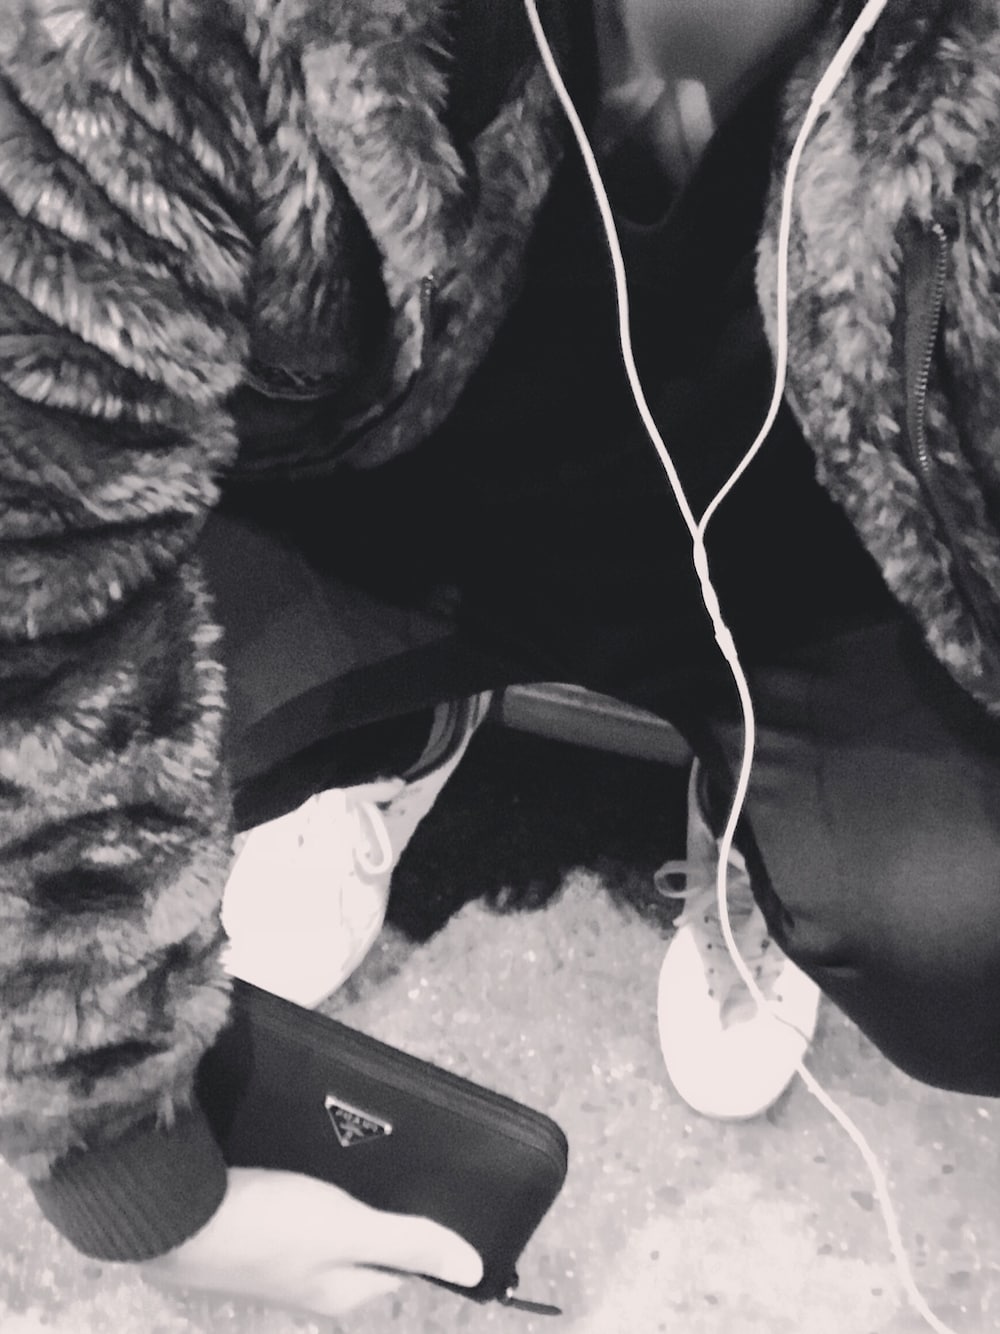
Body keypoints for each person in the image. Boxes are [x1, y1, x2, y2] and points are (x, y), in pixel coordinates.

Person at [2, 0, 999, 1322]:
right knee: (93, 740)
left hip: (814, 557)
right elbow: (36, 527)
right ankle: (410, 734)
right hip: (397, 480)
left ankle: (745, 814)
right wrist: (124, 1156)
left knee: (962, 938)